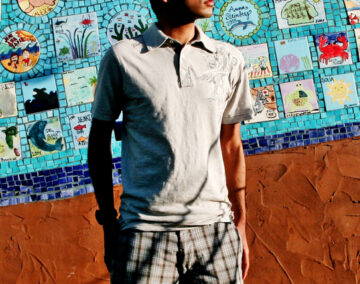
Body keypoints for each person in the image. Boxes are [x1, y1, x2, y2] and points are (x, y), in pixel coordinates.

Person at [88, 0, 254, 282]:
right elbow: (98, 144)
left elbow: (231, 144)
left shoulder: (228, 58)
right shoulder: (123, 58)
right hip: (144, 231)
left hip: (215, 229)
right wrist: (108, 222)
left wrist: (240, 221)